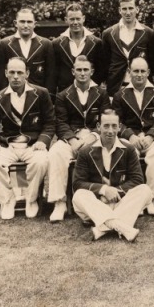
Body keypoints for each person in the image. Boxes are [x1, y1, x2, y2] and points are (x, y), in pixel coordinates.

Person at [0, 57, 54, 219]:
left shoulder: (41, 93)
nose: (16, 76)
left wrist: (43, 140)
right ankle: (8, 199)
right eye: (12, 72)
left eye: (20, 72)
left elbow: (50, 123)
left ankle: (31, 199)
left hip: (33, 145)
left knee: (41, 161)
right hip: (8, 146)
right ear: (6, 73)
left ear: (27, 74)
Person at [72, 109, 153, 242]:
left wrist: (115, 192)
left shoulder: (128, 149)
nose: (110, 131)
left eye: (114, 126)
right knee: (79, 195)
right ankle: (122, 227)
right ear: (98, 127)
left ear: (119, 127)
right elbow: (78, 183)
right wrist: (103, 190)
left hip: (121, 203)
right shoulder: (86, 151)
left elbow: (137, 180)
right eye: (106, 126)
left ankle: (102, 228)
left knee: (145, 190)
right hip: (96, 204)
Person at [45, 55, 110, 222]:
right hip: (71, 138)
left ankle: (100, 197)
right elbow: (61, 123)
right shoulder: (63, 95)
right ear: (73, 71)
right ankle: (59, 202)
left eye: (85, 70)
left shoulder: (101, 93)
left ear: (92, 72)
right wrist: (72, 139)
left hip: (95, 137)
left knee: (105, 150)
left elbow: (106, 120)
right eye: (79, 70)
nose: (82, 73)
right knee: (55, 153)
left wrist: (94, 136)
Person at [111, 57, 154, 215]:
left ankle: (153, 198)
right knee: (124, 149)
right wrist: (130, 136)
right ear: (129, 72)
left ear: (148, 73)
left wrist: (151, 136)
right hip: (130, 137)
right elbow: (116, 122)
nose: (139, 74)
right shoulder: (120, 95)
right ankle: (132, 199)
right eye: (135, 71)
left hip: (152, 138)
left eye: (142, 71)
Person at [101, 0, 154, 97]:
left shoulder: (148, 33)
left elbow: (152, 62)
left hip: (142, 88)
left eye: (131, 8)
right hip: (116, 88)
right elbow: (105, 63)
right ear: (119, 10)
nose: (128, 12)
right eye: (124, 9)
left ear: (137, 9)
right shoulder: (108, 33)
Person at [0, 8, 55, 94]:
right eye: (22, 21)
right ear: (16, 23)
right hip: (12, 96)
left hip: (38, 98)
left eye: (29, 22)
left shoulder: (46, 44)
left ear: (34, 24)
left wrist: (48, 98)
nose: (26, 25)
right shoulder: (4, 44)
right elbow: (1, 76)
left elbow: (51, 76)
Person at [53, 3, 105, 95]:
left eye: (78, 19)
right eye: (72, 19)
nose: (75, 22)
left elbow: (100, 71)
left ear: (83, 19)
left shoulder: (96, 42)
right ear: (66, 20)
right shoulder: (56, 43)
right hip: (65, 94)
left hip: (90, 93)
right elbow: (54, 71)